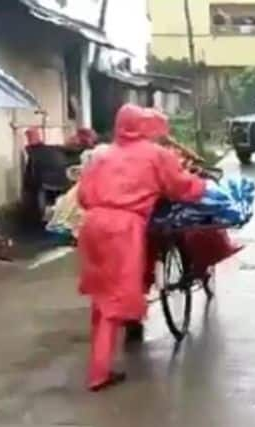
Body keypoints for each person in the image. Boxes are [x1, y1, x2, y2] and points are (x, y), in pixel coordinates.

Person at [77, 104, 207, 391]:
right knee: (115, 299)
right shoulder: (156, 155)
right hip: (123, 229)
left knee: (101, 297)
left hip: (92, 225)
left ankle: (103, 359)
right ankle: (99, 374)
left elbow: (83, 195)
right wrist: (203, 188)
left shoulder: (103, 156)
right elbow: (180, 186)